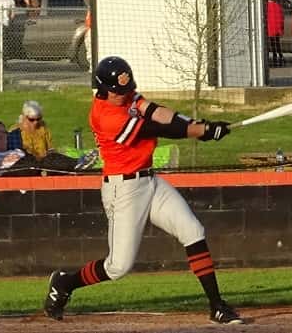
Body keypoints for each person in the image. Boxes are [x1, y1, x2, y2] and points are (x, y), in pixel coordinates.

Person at [42, 56, 242, 325]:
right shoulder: (106, 115)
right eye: (117, 91)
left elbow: (157, 112)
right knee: (118, 266)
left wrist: (198, 124)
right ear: (103, 89)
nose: (122, 96)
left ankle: (217, 306)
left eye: (125, 90)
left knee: (193, 231)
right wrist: (200, 131)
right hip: (123, 189)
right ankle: (65, 282)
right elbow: (153, 129)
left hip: (150, 181)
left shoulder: (127, 97)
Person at [0, 120, 97, 173]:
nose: (1, 136)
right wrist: (4, 160)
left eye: (4, 133)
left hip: (31, 167)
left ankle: (78, 163)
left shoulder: (17, 150)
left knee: (50, 157)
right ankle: (78, 164)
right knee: (46, 160)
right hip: (14, 172)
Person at [266, 0, 284, 67]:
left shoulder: (266, 7)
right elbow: (281, 17)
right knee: (277, 43)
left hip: (269, 29)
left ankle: (274, 57)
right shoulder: (277, 6)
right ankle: (280, 56)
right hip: (276, 29)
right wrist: (281, 28)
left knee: (271, 44)